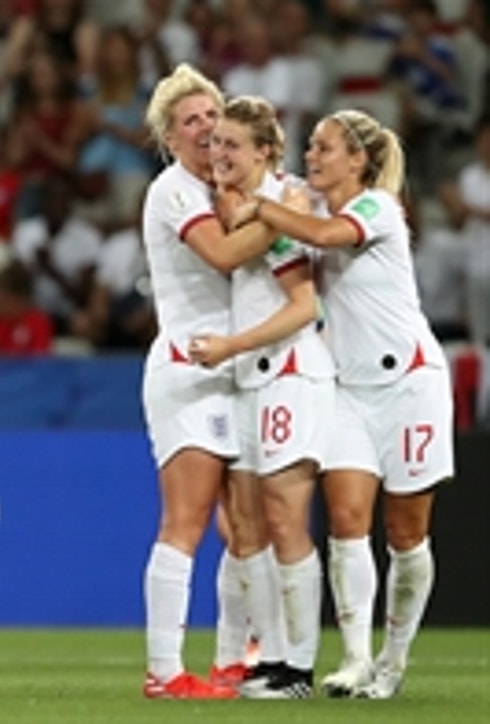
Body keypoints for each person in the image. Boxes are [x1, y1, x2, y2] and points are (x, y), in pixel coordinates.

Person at [223, 108, 453, 700]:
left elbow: (326, 237)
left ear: (359, 160)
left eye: (325, 148)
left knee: (406, 533)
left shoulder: (377, 207)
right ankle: (354, 659)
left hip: (410, 383)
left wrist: (264, 208)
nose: (312, 156)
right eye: (311, 147)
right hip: (348, 389)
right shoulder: (308, 210)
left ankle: (392, 661)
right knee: (347, 522)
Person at [187, 96, 336, 699]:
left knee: (283, 518)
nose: (218, 153)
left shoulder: (282, 206)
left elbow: (304, 305)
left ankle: (299, 667)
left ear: (266, 152)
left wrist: (231, 345)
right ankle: (271, 656)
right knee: (246, 523)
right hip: (251, 375)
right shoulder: (242, 203)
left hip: (289, 370)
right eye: (215, 142)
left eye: (232, 144)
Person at [137, 64, 276, 700]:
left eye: (212, 116)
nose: (204, 127)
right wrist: (288, 217)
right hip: (190, 365)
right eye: (189, 120)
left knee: (247, 523)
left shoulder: (230, 191)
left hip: (240, 366)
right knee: (186, 521)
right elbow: (220, 254)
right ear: (169, 138)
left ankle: (229, 659)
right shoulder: (174, 190)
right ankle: (164, 670)